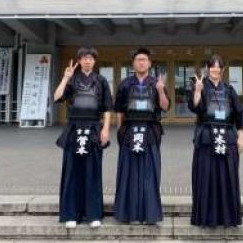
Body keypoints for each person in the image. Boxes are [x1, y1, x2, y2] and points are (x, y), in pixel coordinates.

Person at [54, 47, 112, 229]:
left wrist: (106, 129)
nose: (87, 61)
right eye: (84, 58)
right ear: (79, 60)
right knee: (72, 171)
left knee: (93, 172)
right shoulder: (72, 79)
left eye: (90, 58)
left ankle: (94, 215)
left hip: (94, 128)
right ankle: (71, 214)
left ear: (94, 61)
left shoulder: (101, 81)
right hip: (74, 128)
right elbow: (57, 98)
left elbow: (107, 108)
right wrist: (65, 78)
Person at [113, 47, 170, 224]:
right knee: (128, 172)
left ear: (150, 63)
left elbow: (166, 107)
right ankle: (128, 213)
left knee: (149, 172)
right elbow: (119, 111)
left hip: (150, 131)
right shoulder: (125, 84)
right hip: (130, 130)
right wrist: (120, 132)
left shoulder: (156, 83)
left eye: (144, 60)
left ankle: (149, 214)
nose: (141, 62)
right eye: (138, 60)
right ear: (133, 63)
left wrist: (161, 90)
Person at [188, 54, 243, 227]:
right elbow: (195, 107)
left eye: (218, 66)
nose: (215, 69)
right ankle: (206, 217)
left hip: (227, 137)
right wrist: (197, 90)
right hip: (206, 136)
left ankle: (227, 217)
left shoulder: (229, 89)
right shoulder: (200, 86)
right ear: (207, 69)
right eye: (212, 66)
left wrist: (241, 136)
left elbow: (239, 115)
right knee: (206, 176)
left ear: (222, 69)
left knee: (227, 176)